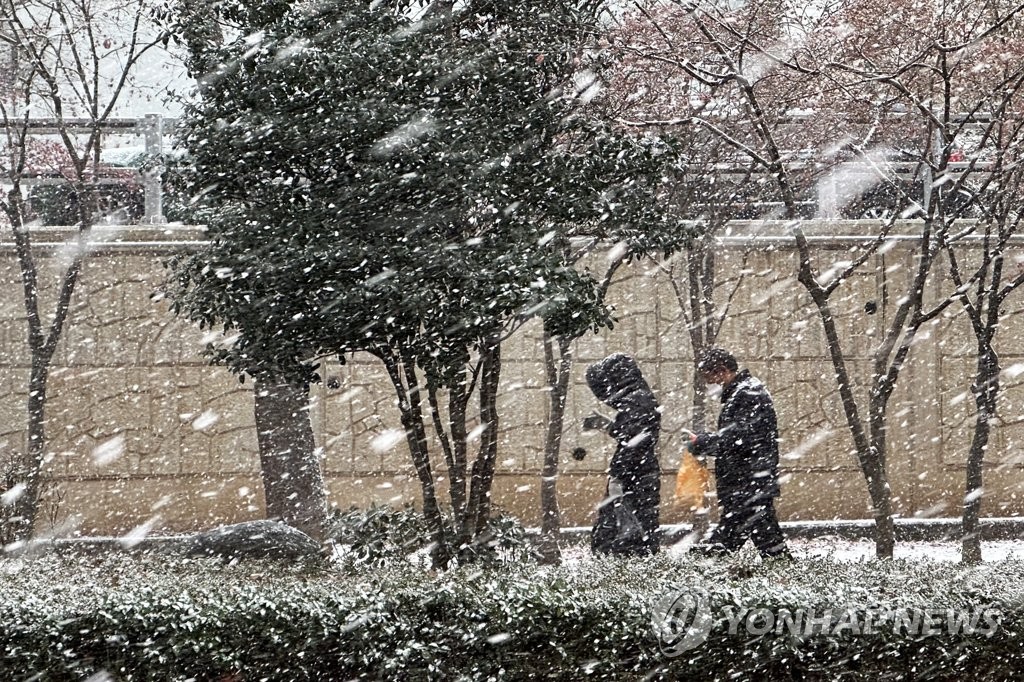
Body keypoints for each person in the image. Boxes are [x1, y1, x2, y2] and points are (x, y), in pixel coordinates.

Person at [688, 348, 792, 560]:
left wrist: (702, 442)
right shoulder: (745, 392)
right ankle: (786, 575)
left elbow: (738, 439)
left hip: (746, 483)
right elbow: (738, 438)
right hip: (750, 483)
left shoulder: (746, 394)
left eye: (713, 380)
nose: (715, 387)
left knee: (729, 541)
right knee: (767, 542)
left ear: (722, 371)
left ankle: (703, 572)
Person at [583, 353, 662, 556]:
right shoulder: (638, 399)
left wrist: (618, 477)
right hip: (638, 475)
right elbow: (633, 434)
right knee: (633, 530)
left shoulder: (636, 401)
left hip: (633, 477)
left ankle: (625, 573)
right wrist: (608, 425)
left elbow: (634, 442)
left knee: (622, 534)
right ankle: (631, 568)